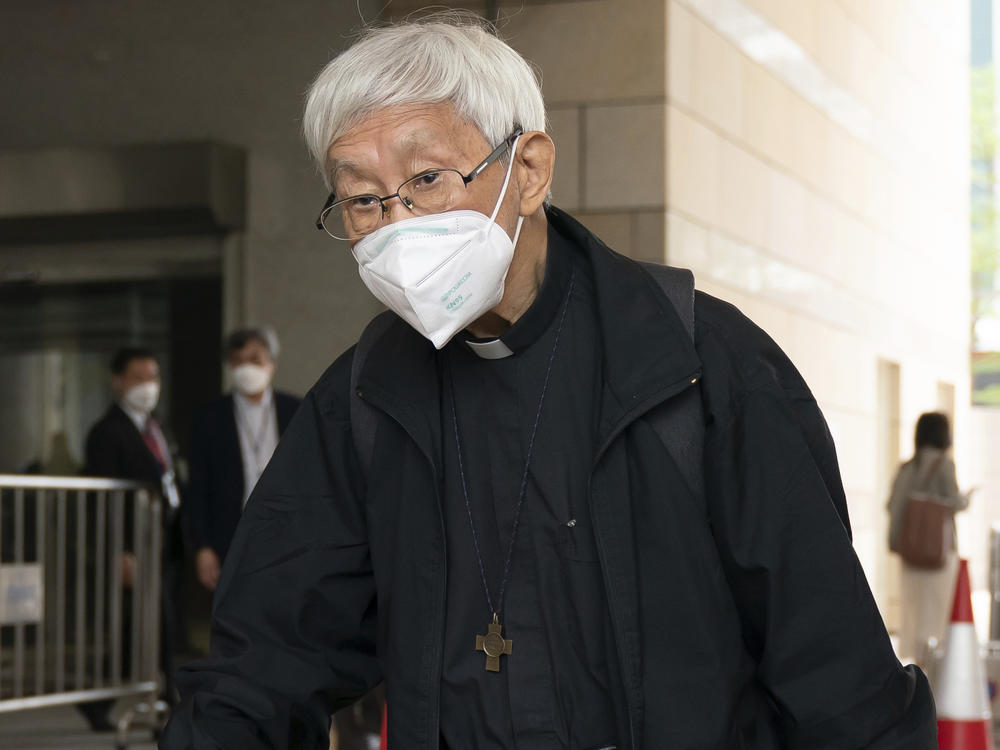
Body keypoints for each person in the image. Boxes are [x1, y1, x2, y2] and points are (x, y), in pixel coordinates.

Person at [162, 16, 937, 749]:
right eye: (364, 200)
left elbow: (836, 674)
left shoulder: (698, 365)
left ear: (528, 170)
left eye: (428, 178)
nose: (397, 226)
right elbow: (264, 658)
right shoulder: (363, 400)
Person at [82, 346, 183, 730]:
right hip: (133, 544)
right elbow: (103, 501)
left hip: (163, 539)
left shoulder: (157, 427)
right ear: (118, 381)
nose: (148, 386)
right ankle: (168, 694)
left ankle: (99, 701)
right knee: (157, 622)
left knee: (135, 629)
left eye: (153, 377)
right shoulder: (106, 433)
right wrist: (119, 551)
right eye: (139, 377)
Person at [187, 327, 300, 593]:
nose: (245, 367)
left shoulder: (296, 411)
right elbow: (198, 488)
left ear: (271, 364)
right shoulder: (209, 418)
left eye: (255, 359)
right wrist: (202, 547)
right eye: (237, 360)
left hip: (286, 534)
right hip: (230, 535)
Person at [887, 411, 970, 663]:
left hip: (910, 552)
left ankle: (920, 668)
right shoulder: (945, 464)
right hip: (938, 554)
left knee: (915, 615)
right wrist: (966, 499)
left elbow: (892, 505)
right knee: (938, 614)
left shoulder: (906, 467)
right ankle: (935, 672)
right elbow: (954, 503)